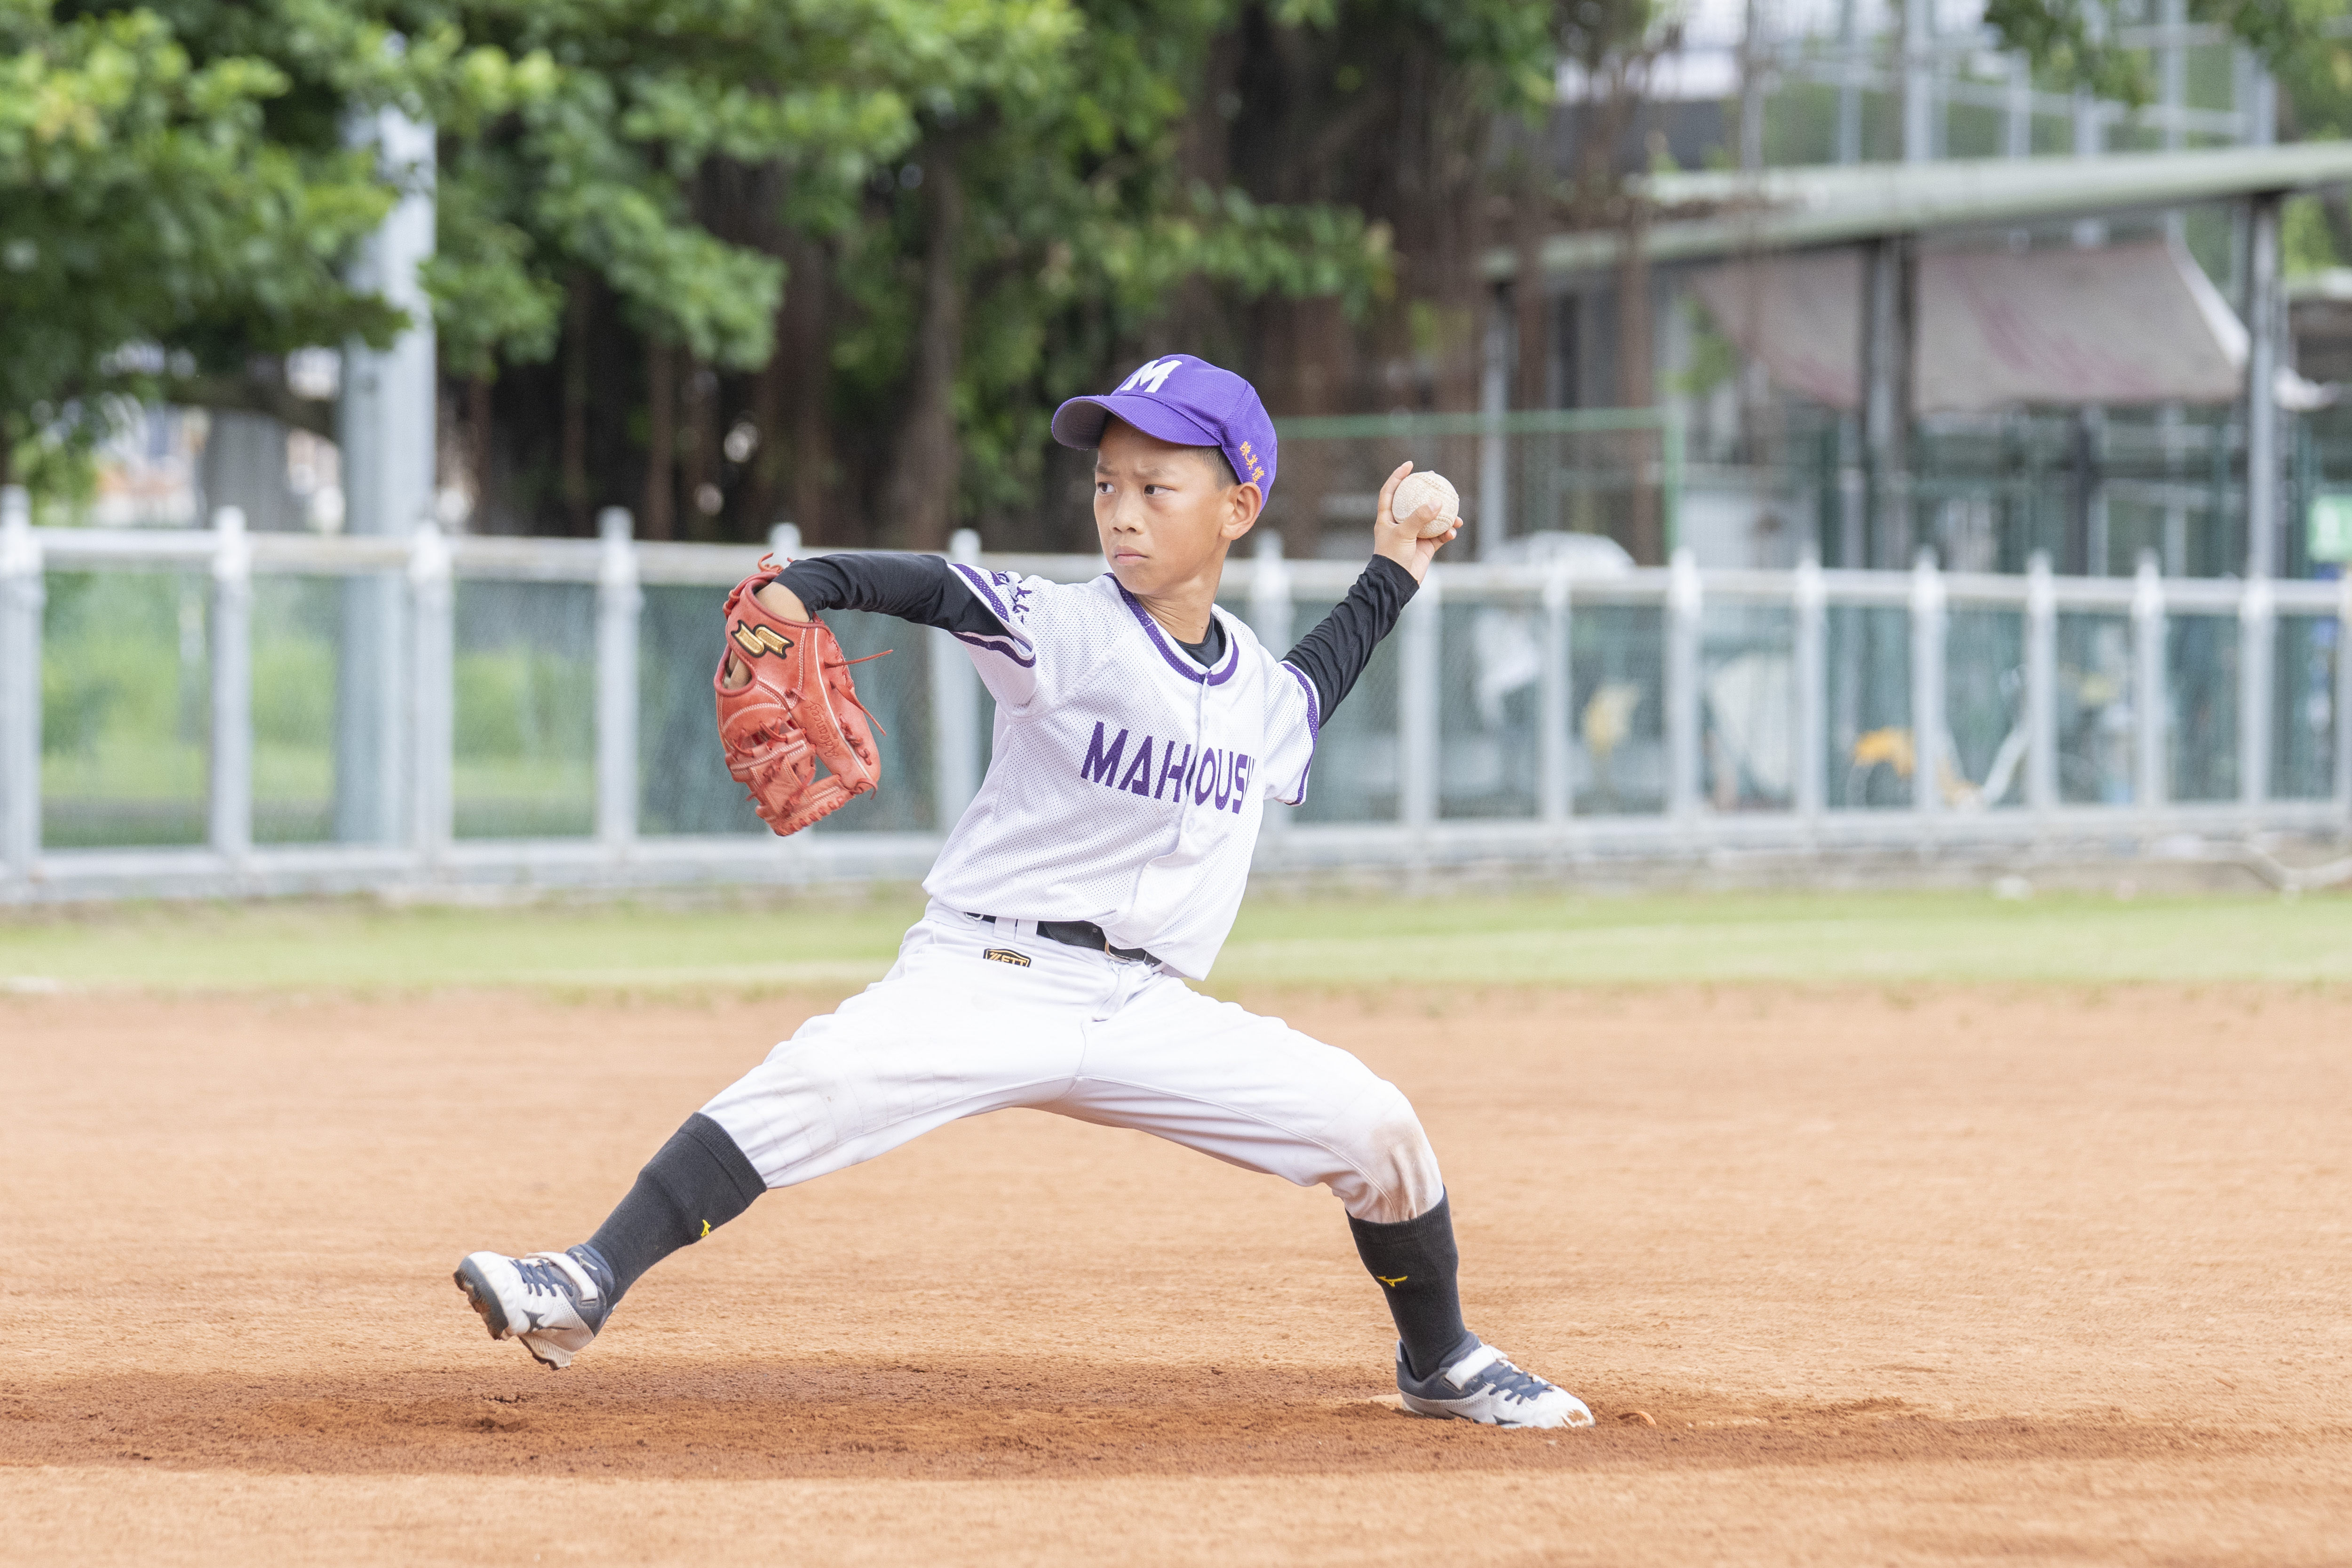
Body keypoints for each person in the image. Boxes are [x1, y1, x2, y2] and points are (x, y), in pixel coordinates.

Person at [454, 354, 1594, 1429]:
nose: (1122, 511)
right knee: (820, 1080)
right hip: (989, 971)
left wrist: (1396, 566)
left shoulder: (1251, 682)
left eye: (1156, 485)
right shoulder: (1068, 626)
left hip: (1145, 1008)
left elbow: (1316, 681)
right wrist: (808, 584)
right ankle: (585, 1278)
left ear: (1237, 508)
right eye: (1107, 484)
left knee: (1376, 1126)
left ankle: (1439, 1359)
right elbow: (940, 588)